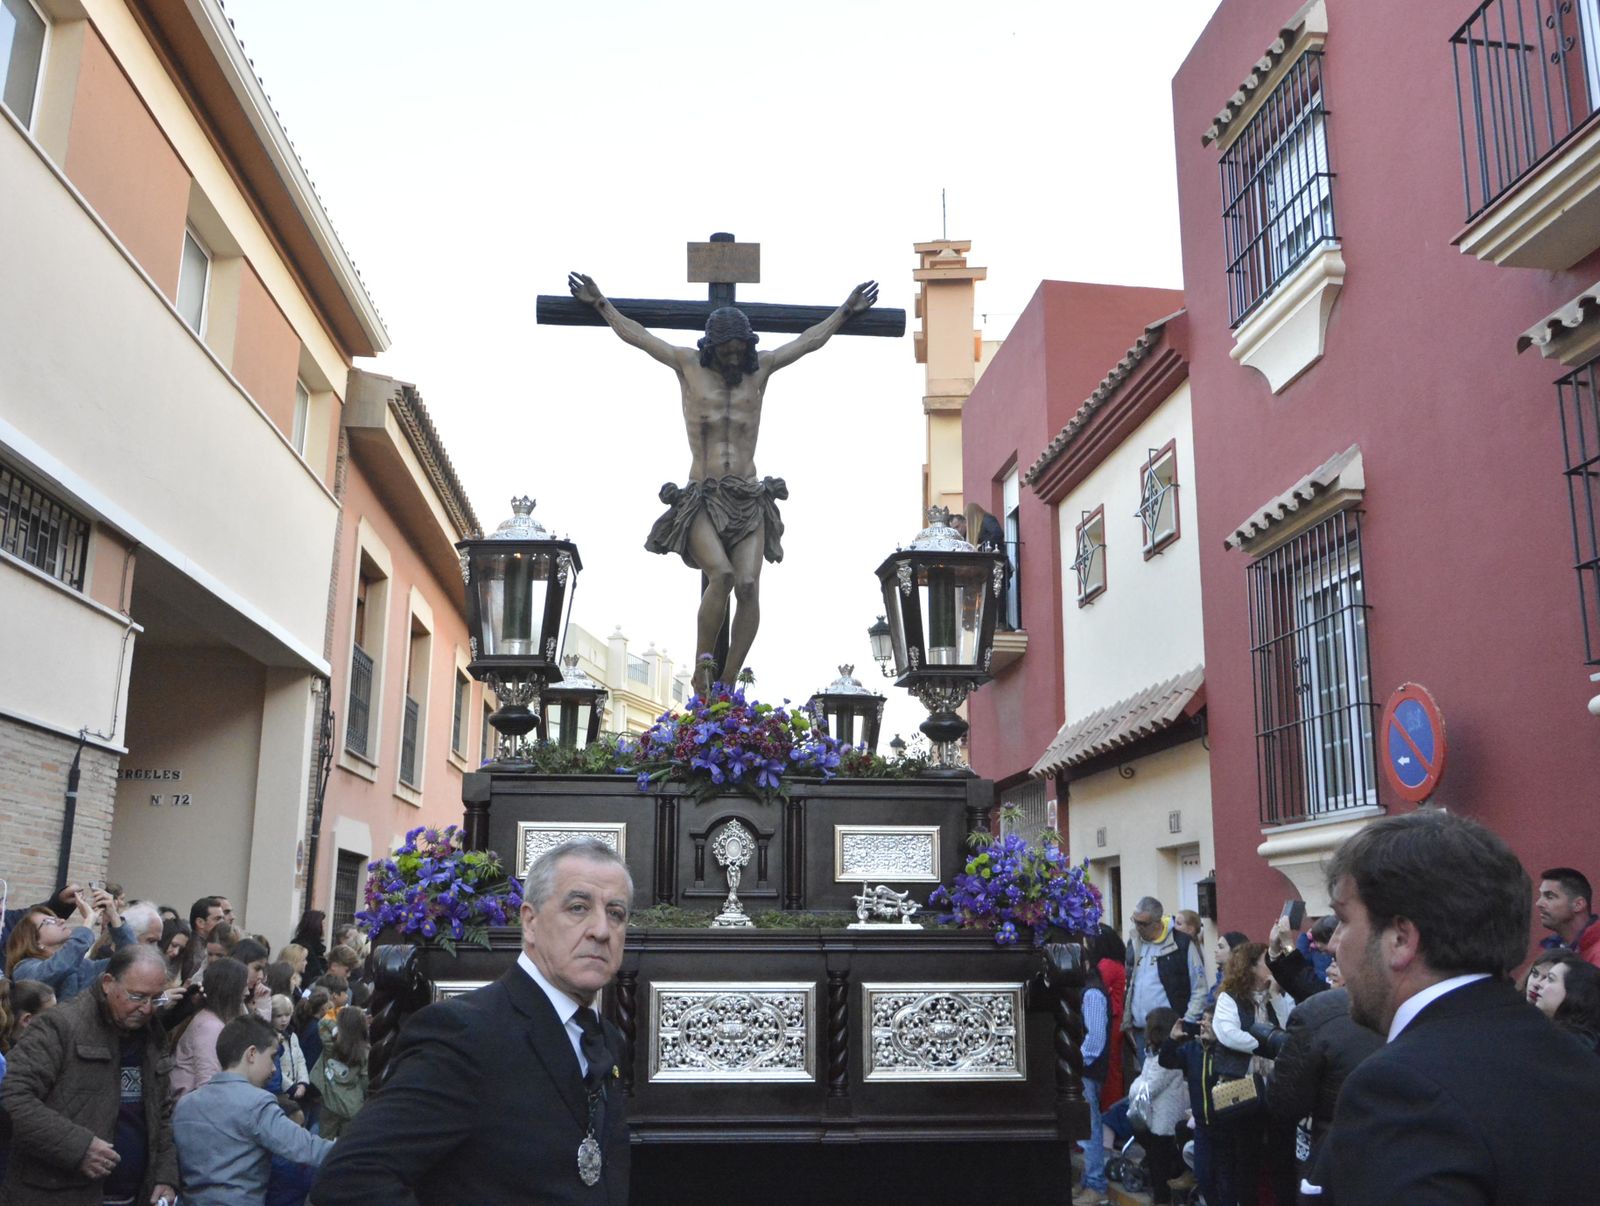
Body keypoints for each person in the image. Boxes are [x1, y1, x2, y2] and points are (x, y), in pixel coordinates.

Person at [569, 271, 878, 694]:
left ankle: (728, 682)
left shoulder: (761, 368)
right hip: (702, 496)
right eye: (727, 354)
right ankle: (702, 670)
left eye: (740, 352)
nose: (735, 361)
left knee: (749, 585)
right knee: (723, 576)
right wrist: (601, 304)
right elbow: (639, 336)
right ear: (711, 349)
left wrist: (844, 311)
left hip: (749, 497)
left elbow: (806, 341)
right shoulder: (686, 364)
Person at [311, 836, 633, 1203]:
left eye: (616, 913)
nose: (602, 930)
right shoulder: (463, 1033)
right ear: (529, 922)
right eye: (578, 908)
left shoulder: (606, 1039)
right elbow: (351, 1181)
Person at [1324, 809, 1600, 1202]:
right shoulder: (1574, 1059)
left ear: (1401, 939)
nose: (1334, 944)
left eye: (1343, 919)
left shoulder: (1397, 1088)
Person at [0, 944, 179, 1205]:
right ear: (108, 983)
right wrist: (77, 1147)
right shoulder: (61, 1026)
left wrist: (165, 1174)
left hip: (133, 1195)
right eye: (138, 996)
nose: (148, 1008)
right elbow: (12, 1096)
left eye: (156, 998)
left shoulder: (151, 1037)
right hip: (55, 1194)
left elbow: (161, 1113)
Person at [171, 1014, 332, 1203]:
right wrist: (354, 1149)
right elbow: (306, 1148)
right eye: (272, 1057)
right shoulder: (257, 1103)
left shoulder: (185, 1105)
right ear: (252, 1054)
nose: (274, 1069)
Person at [1266, 953, 1381, 1203]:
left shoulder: (1320, 1014)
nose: (1329, 970)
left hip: (1332, 1159)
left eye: (1336, 964)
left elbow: (1283, 1101)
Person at [1209, 942, 1286, 1206]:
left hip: (1275, 1086)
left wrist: (1277, 995)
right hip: (1242, 1086)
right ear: (1251, 967)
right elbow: (1228, 1034)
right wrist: (1267, 1045)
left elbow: (1290, 1027)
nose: (1272, 966)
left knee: (1277, 1155)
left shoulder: (1276, 996)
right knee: (1245, 1156)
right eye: (1266, 961)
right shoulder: (1229, 998)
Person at [6, 888, 137, 1001]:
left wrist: (113, 916)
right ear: (35, 941)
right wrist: (88, 923)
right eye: (49, 921)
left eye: (57, 918)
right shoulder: (24, 969)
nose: (62, 921)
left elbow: (130, 961)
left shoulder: (83, 967)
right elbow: (57, 969)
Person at [1124, 897, 1207, 1056]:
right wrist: (1128, 1022)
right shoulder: (1134, 942)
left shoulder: (1181, 944)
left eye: (1142, 923)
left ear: (1157, 922)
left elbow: (1200, 988)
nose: (1137, 927)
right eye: (1135, 921)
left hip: (1170, 1033)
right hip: (1140, 1032)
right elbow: (1130, 985)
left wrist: (1186, 1023)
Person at [171, 956, 249, 1101]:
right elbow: (208, 1083)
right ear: (231, 989)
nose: (247, 992)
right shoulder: (210, 1026)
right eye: (243, 986)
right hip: (191, 1108)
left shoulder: (214, 1020)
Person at [1131, 1008, 1187, 1205]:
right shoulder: (1155, 1054)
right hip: (1156, 1118)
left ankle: (1162, 1199)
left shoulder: (1168, 1057)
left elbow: (1150, 1086)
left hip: (1165, 1121)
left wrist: (1134, 1089)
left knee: (1160, 1165)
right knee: (1157, 1160)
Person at [1073, 957, 1112, 1205]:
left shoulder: (1092, 995)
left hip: (1088, 1069)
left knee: (1089, 1127)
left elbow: (1095, 1039)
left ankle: (1097, 1184)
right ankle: (1089, 1180)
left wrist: (1076, 1063)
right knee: (1083, 1125)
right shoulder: (1087, 992)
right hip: (1085, 1068)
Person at [309, 1006, 368, 1139]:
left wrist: (335, 1023)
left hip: (329, 1103)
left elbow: (322, 1023)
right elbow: (365, 1082)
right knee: (348, 1141)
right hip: (353, 1107)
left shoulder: (330, 1046)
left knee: (325, 1140)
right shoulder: (364, 1052)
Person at [1524, 948, 1600, 1052]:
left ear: (1574, 992)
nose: (1540, 984)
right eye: (1535, 974)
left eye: (1550, 979)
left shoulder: (1574, 1046)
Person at [1090, 924, 1128, 1103]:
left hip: (1111, 1020)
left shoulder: (1106, 965)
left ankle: (1109, 1105)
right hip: (1114, 1018)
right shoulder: (1115, 963)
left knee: (1110, 1067)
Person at [1536, 866, 1600, 964]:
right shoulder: (1554, 946)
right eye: (1541, 895)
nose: (1538, 903)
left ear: (1578, 905)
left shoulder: (1597, 953)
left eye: (1549, 897)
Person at [267, 994, 310, 1109]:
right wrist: (291, 1087)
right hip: (280, 1092)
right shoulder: (269, 1038)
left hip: (296, 1088)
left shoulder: (293, 1036)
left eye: (287, 1015)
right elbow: (272, 1067)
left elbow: (300, 1060)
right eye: (279, 1016)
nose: (284, 1020)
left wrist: (303, 1082)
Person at [289, 911, 327, 984]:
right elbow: (314, 971)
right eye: (323, 924)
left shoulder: (317, 947)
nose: (324, 927)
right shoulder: (305, 947)